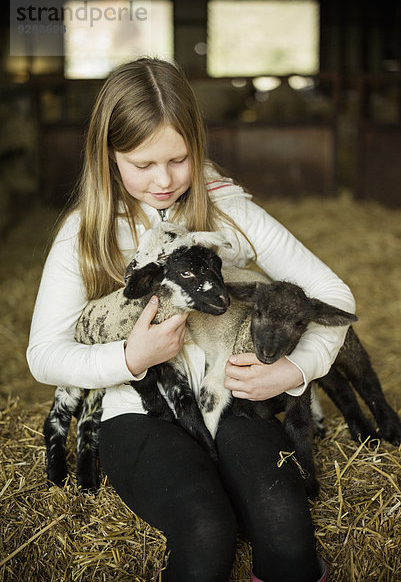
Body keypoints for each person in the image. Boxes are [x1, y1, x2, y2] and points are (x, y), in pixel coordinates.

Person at [27, 58, 355, 582]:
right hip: (136, 411)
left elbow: (332, 293)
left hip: (228, 395)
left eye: (179, 159)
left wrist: (295, 370)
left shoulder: (227, 211)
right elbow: (43, 355)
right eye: (142, 164)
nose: (164, 181)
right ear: (109, 157)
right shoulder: (84, 233)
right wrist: (130, 357)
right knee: (206, 529)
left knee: (285, 527)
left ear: (197, 146)